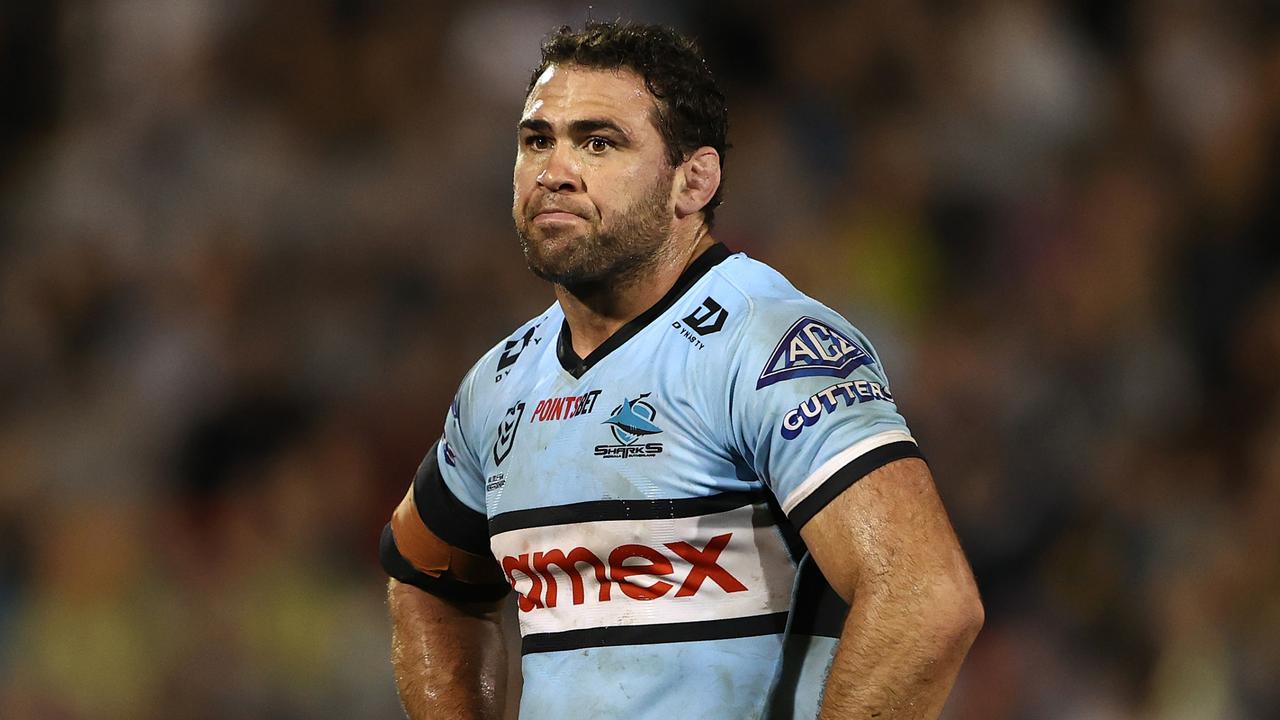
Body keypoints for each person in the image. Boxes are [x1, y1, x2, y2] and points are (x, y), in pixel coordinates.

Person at [379, 21, 983, 719]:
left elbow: (926, 599)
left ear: (692, 180)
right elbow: (427, 579)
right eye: (537, 140)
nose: (554, 171)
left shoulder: (767, 344)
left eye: (599, 142)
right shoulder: (499, 383)